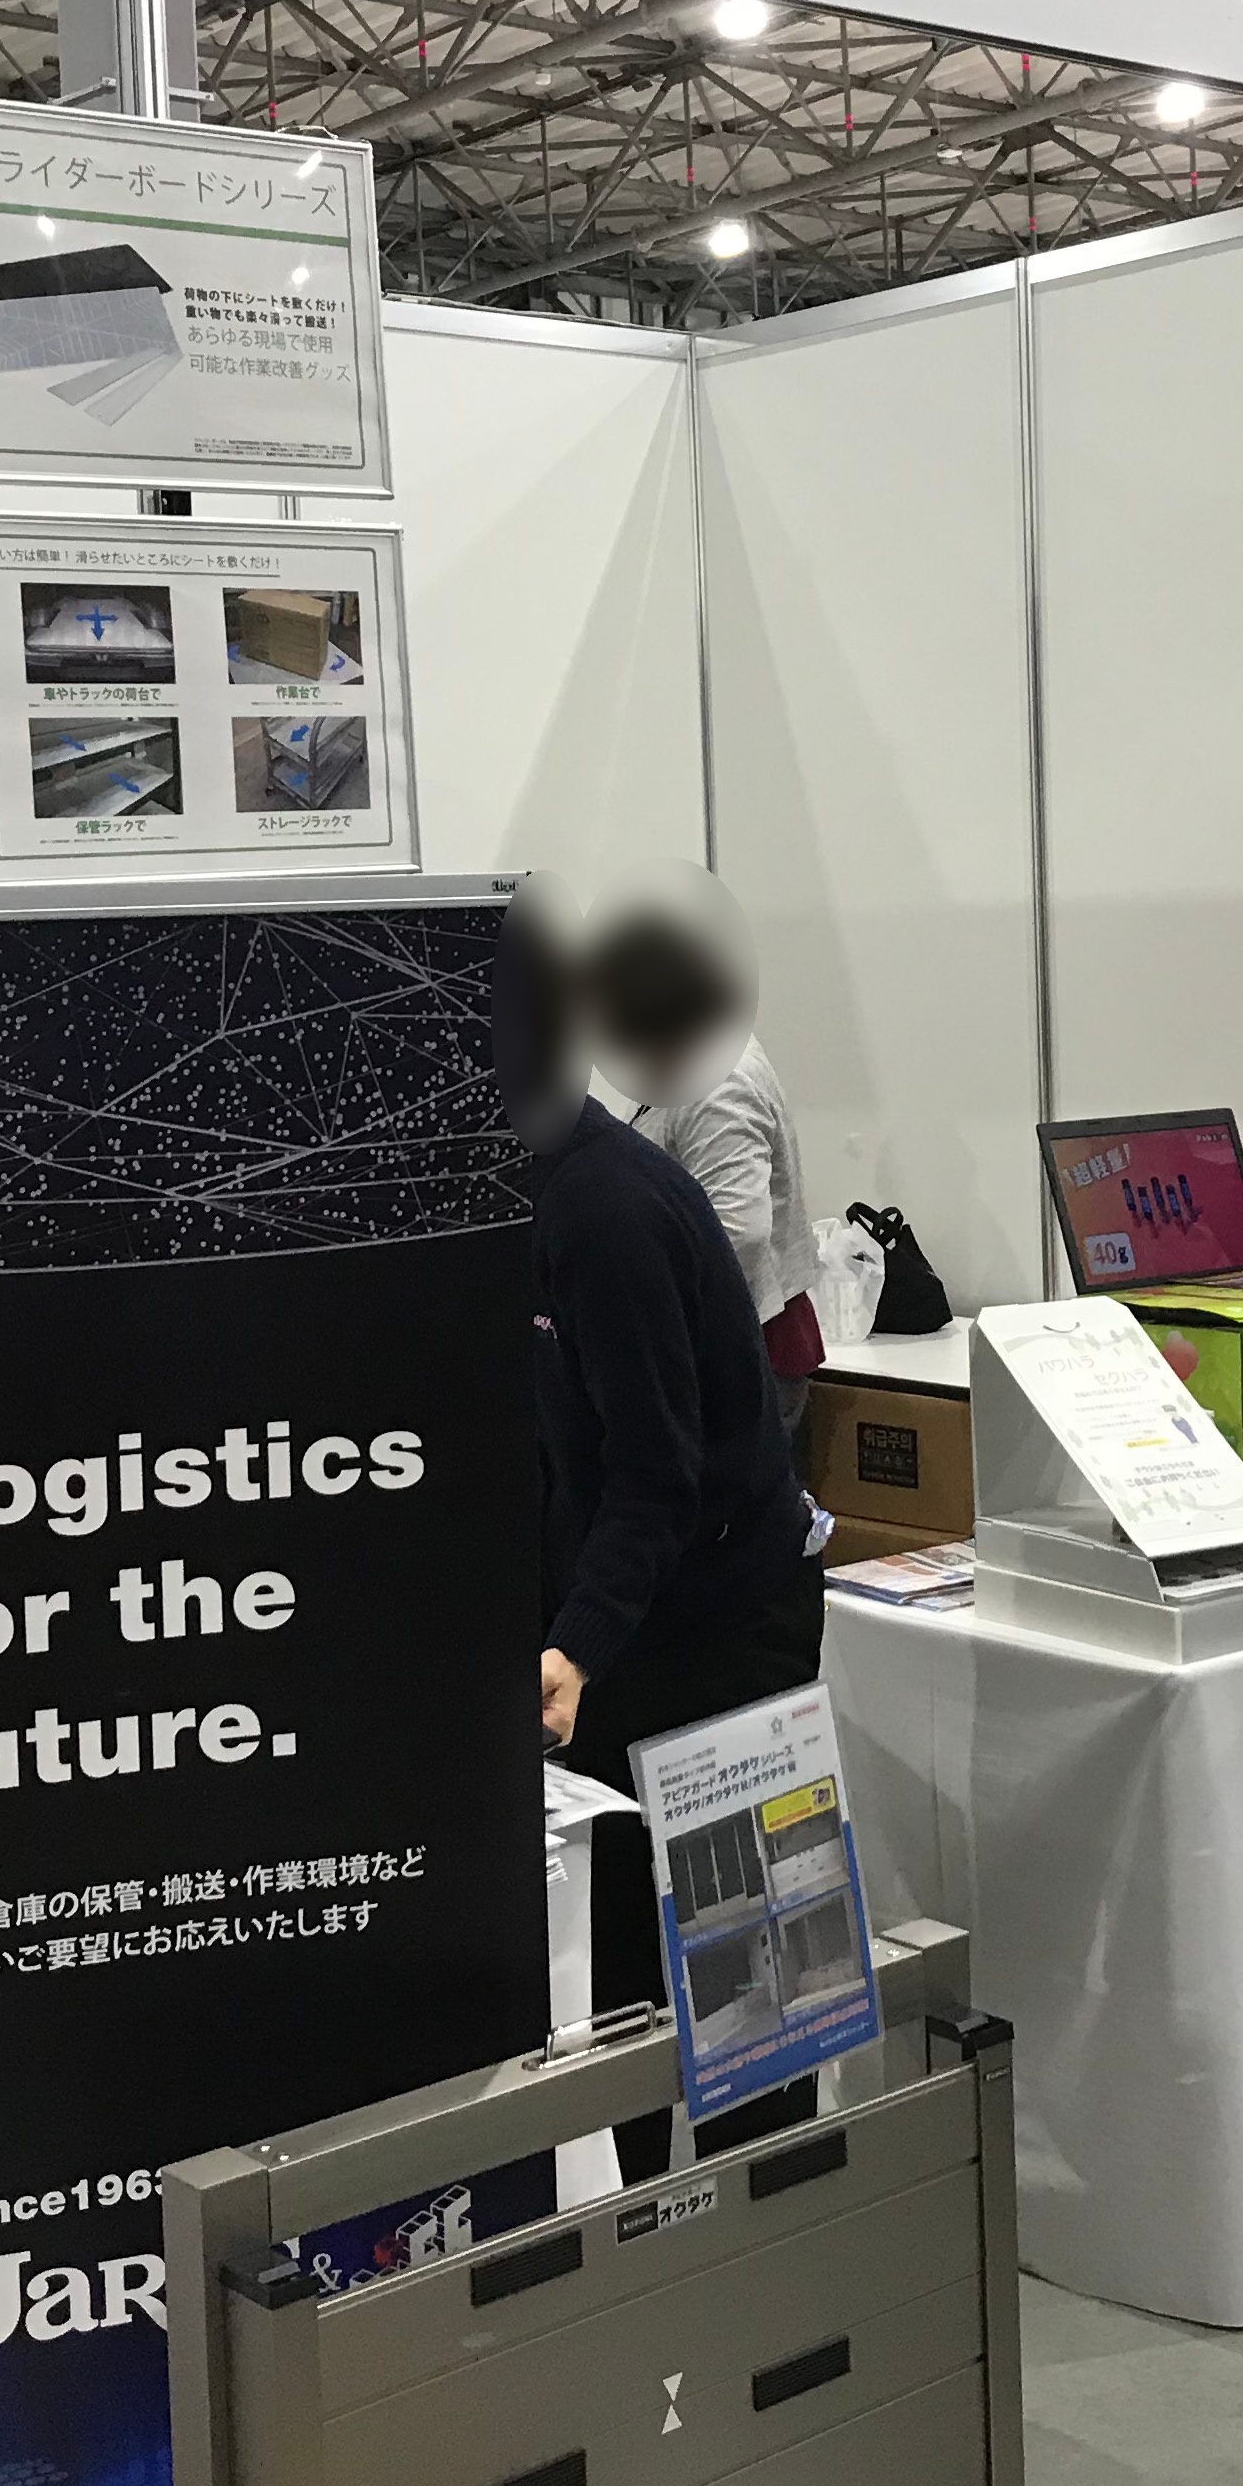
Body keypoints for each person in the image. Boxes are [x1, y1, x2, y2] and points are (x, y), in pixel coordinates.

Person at [525, 1035, 822, 2182]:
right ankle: (640, 2237)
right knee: (616, 2003)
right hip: (625, 1628)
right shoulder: (515, 1195)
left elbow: (659, 1470)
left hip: (723, 1628)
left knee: (754, 2006)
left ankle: (780, 2234)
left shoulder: (605, 1208)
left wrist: (578, 1643)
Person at [582, 871, 824, 1437]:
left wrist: (645, 1308)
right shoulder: (684, 1053)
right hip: (725, 1344)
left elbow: (738, 1232)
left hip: (738, 1351)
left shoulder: (717, 1080)